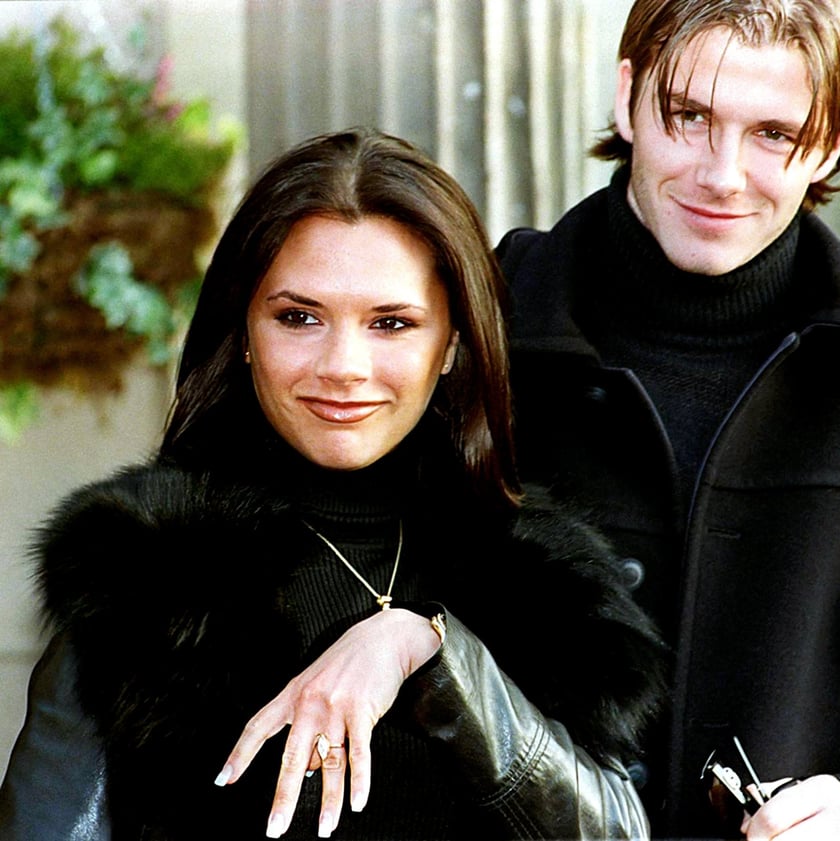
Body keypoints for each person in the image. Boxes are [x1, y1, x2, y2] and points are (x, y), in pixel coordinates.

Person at [0, 128, 665, 840]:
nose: (343, 364)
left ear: (451, 346)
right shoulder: (152, 565)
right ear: (246, 331)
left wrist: (435, 657)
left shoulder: (539, 578)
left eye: (391, 323)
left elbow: (617, 829)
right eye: (299, 316)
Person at [495, 1, 840, 838]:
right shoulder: (465, 340)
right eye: (690, 116)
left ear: (836, 141)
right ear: (627, 96)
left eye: (773, 133)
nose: (722, 173)